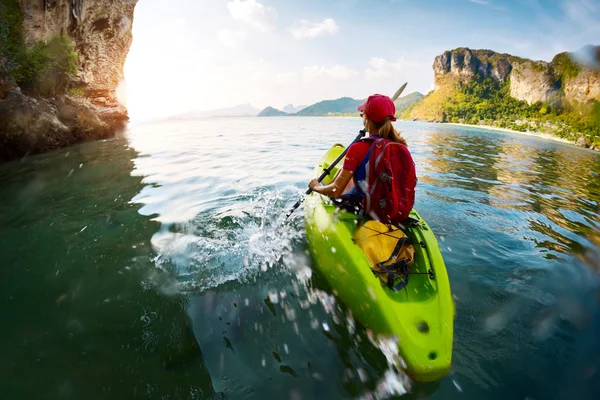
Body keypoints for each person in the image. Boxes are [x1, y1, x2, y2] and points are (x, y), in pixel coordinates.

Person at [308, 94, 410, 216]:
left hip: (364, 208)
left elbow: (335, 191)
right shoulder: (400, 145)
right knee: (348, 171)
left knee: (338, 183)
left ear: (366, 119)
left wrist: (317, 187)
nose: (361, 116)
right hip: (392, 208)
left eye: (363, 113)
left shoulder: (357, 148)